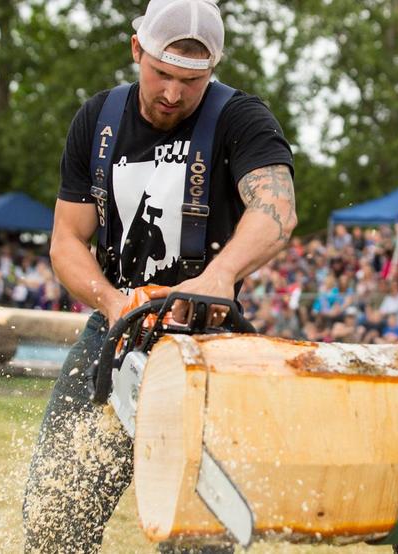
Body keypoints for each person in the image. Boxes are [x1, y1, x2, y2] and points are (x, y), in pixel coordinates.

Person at [22, 0, 297, 551]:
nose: (172, 93)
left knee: (198, 532)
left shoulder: (241, 118)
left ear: (212, 71)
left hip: (206, 340)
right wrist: (110, 300)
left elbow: (276, 209)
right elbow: (67, 241)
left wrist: (219, 275)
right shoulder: (97, 120)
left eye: (191, 81)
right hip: (116, 330)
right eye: (161, 74)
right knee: (55, 509)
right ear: (136, 50)